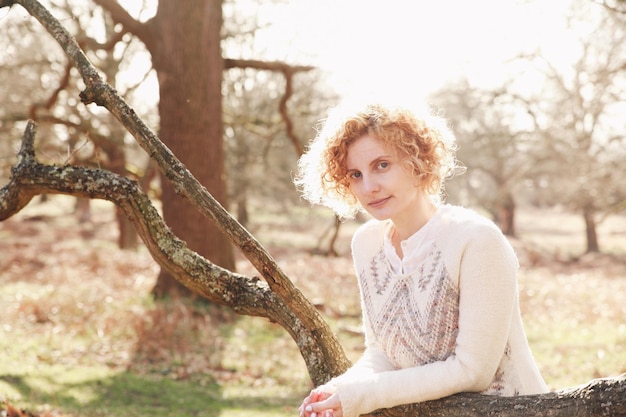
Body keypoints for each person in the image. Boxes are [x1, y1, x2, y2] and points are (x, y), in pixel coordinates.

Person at [294, 99, 548, 417]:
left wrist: (360, 395)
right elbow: (383, 354)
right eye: (355, 175)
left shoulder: (477, 240)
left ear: (418, 161)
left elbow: (472, 370)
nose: (369, 187)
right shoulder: (367, 244)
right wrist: (337, 391)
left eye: (382, 165)